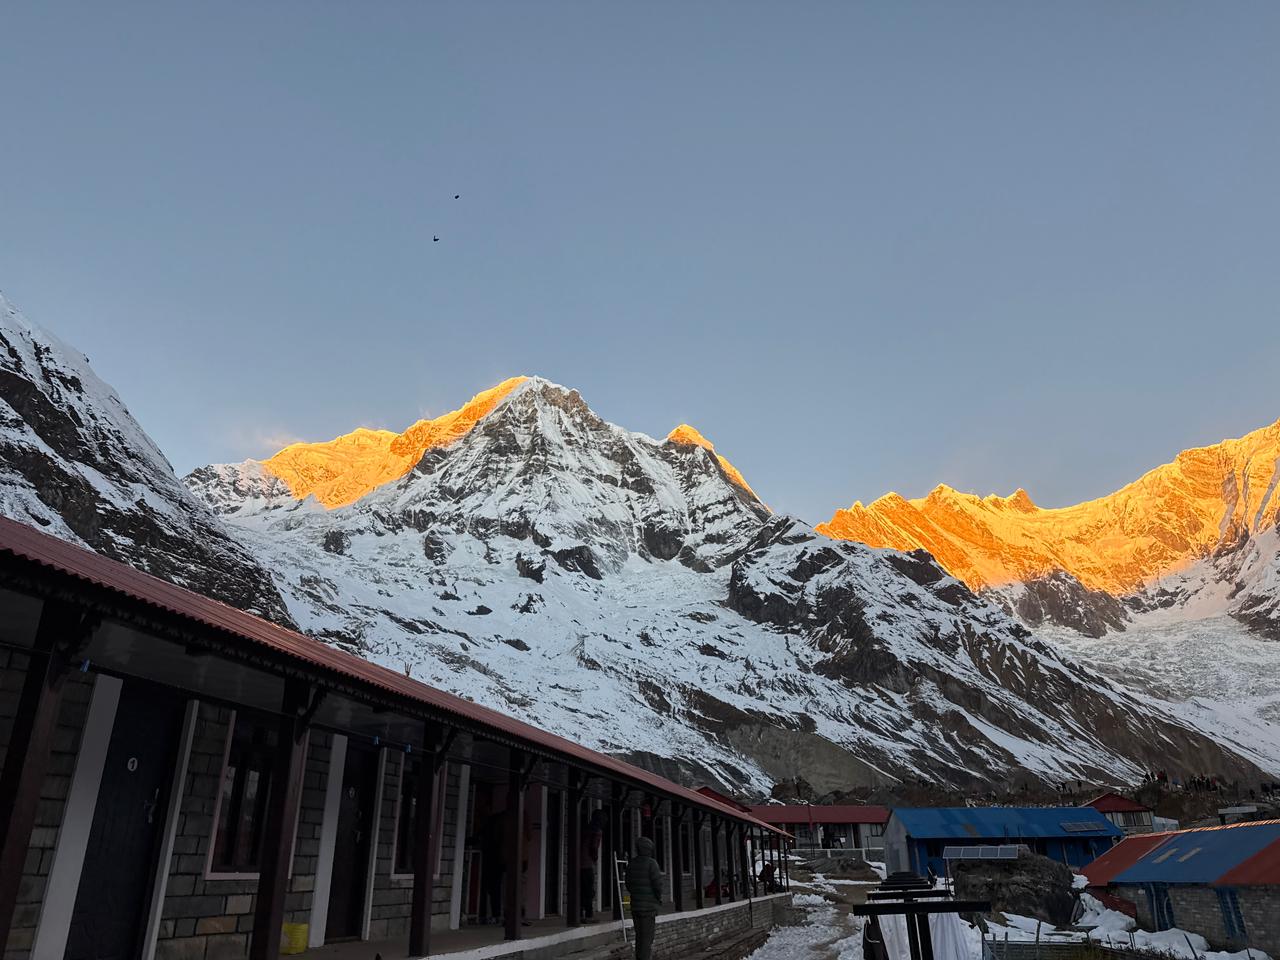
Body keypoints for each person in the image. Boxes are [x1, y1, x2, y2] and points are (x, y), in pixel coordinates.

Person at [625, 836, 664, 960]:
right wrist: (658, 898)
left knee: (639, 937)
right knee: (647, 939)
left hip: (635, 906)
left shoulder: (632, 863)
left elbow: (628, 884)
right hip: (648, 908)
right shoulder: (652, 864)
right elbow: (657, 885)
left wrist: (636, 894)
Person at [581, 810, 605, 920]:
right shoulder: (597, 831)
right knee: (589, 890)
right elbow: (594, 847)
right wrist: (595, 858)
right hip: (587, 864)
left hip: (578, 862)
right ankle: (589, 914)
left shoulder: (585, 828)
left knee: (581, 889)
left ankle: (580, 912)